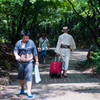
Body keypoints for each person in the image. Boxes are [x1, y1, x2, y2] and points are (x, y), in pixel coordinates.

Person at [13, 30, 39, 98]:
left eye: (27, 38)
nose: (25, 39)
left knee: (29, 76)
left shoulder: (31, 42)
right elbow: (15, 51)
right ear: (22, 37)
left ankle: (29, 91)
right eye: (24, 38)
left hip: (29, 62)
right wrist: (16, 55)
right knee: (21, 77)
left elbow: (35, 53)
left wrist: (37, 61)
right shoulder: (18, 43)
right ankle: (22, 88)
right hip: (21, 62)